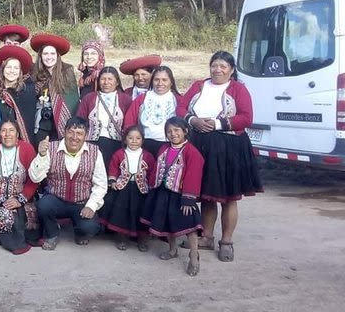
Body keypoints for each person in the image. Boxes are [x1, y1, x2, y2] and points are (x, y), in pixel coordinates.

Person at [177, 51, 263, 262]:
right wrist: (193, 120)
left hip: (229, 147)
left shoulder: (238, 89)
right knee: (207, 195)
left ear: (232, 70)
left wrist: (217, 124)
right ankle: (206, 237)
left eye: (223, 66)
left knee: (228, 197)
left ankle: (226, 241)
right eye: (215, 65)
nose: (218, 70)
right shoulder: (199, 85)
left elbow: (246, 117)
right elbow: (180, 107)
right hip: (201, 145)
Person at [28, 117, 108, 250]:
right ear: (64, 132)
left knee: (91, 227)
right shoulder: (51, 148)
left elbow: (101, 184)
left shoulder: (95, 152)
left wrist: (91, 206)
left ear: (86, 135)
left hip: (80, 203)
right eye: (71, 132)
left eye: (79, 133)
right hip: (56, 200)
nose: (74, 137)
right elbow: (35, 178)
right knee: (43, 206)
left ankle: (80, 232)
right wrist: (41, 155)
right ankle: (52, 233)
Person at [140, 117, 204, 276]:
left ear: (185, 131)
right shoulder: (163, 148)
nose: (173, 134)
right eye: (169, 131)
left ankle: (194, 255)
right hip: (163, 191)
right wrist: (151, 185)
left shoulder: (191, 152)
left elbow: (193, 174)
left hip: (181, 195)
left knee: (190, 224)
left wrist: (188, 198)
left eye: (176, 130)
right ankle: (172, 249)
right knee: (167, 222)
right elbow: (156, 168)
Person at [0, 120, 39, 254]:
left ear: (18, 133)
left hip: (22, 198)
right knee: (3, 215)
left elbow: (34, 178)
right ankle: (13, 242)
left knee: (23, 218)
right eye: (3, 130)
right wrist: (1, 199)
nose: (7, 134)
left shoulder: (27, 148)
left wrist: (20, 199)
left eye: (11, 130)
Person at [100, 125, 155, 251]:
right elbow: (113, 168)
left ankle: (142, 239)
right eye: (131, 138)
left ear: (142, 140)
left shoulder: (148, 156)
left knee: (141, 214)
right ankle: (121, 237)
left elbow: (152, 172)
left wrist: (152, 186)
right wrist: (112, 180)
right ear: (125, 140)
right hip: (123, 189)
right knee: (121, 214)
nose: (134, 141)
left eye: (138, 138)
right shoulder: (119, 154)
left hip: (141, 190)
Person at [76, 66, 132, 167]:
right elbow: (80, 120)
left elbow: (129, 122)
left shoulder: (125, 99)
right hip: (92, 143)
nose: (106, 82)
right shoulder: (89, 98)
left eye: (110, 79)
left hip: (116, 144)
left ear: (117, 82)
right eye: (103, 79)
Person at [30, 33, 79, 143]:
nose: (49, 57)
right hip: (41, 122)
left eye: (52, 53)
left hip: (63, 120)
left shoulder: (67, 71)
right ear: (40, 56)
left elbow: (72, 100)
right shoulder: (34, 72)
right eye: (45, 53)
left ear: (57, 55)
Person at [123, 65, 180, 154]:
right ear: (152, 81)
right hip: (144, 144)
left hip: (169, 144)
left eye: (164, 80)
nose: (160, 83)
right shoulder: (142, 98)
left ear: (171, 82)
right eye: (156, 79)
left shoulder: (178, 100)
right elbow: (129, 121)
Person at [0, 45, 37, 146]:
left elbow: (28, 122)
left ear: (20, 72)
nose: (12, 71)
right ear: (3, 69)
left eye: (16, 68)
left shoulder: (27, 91)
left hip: (20, 141)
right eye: (8, 67)